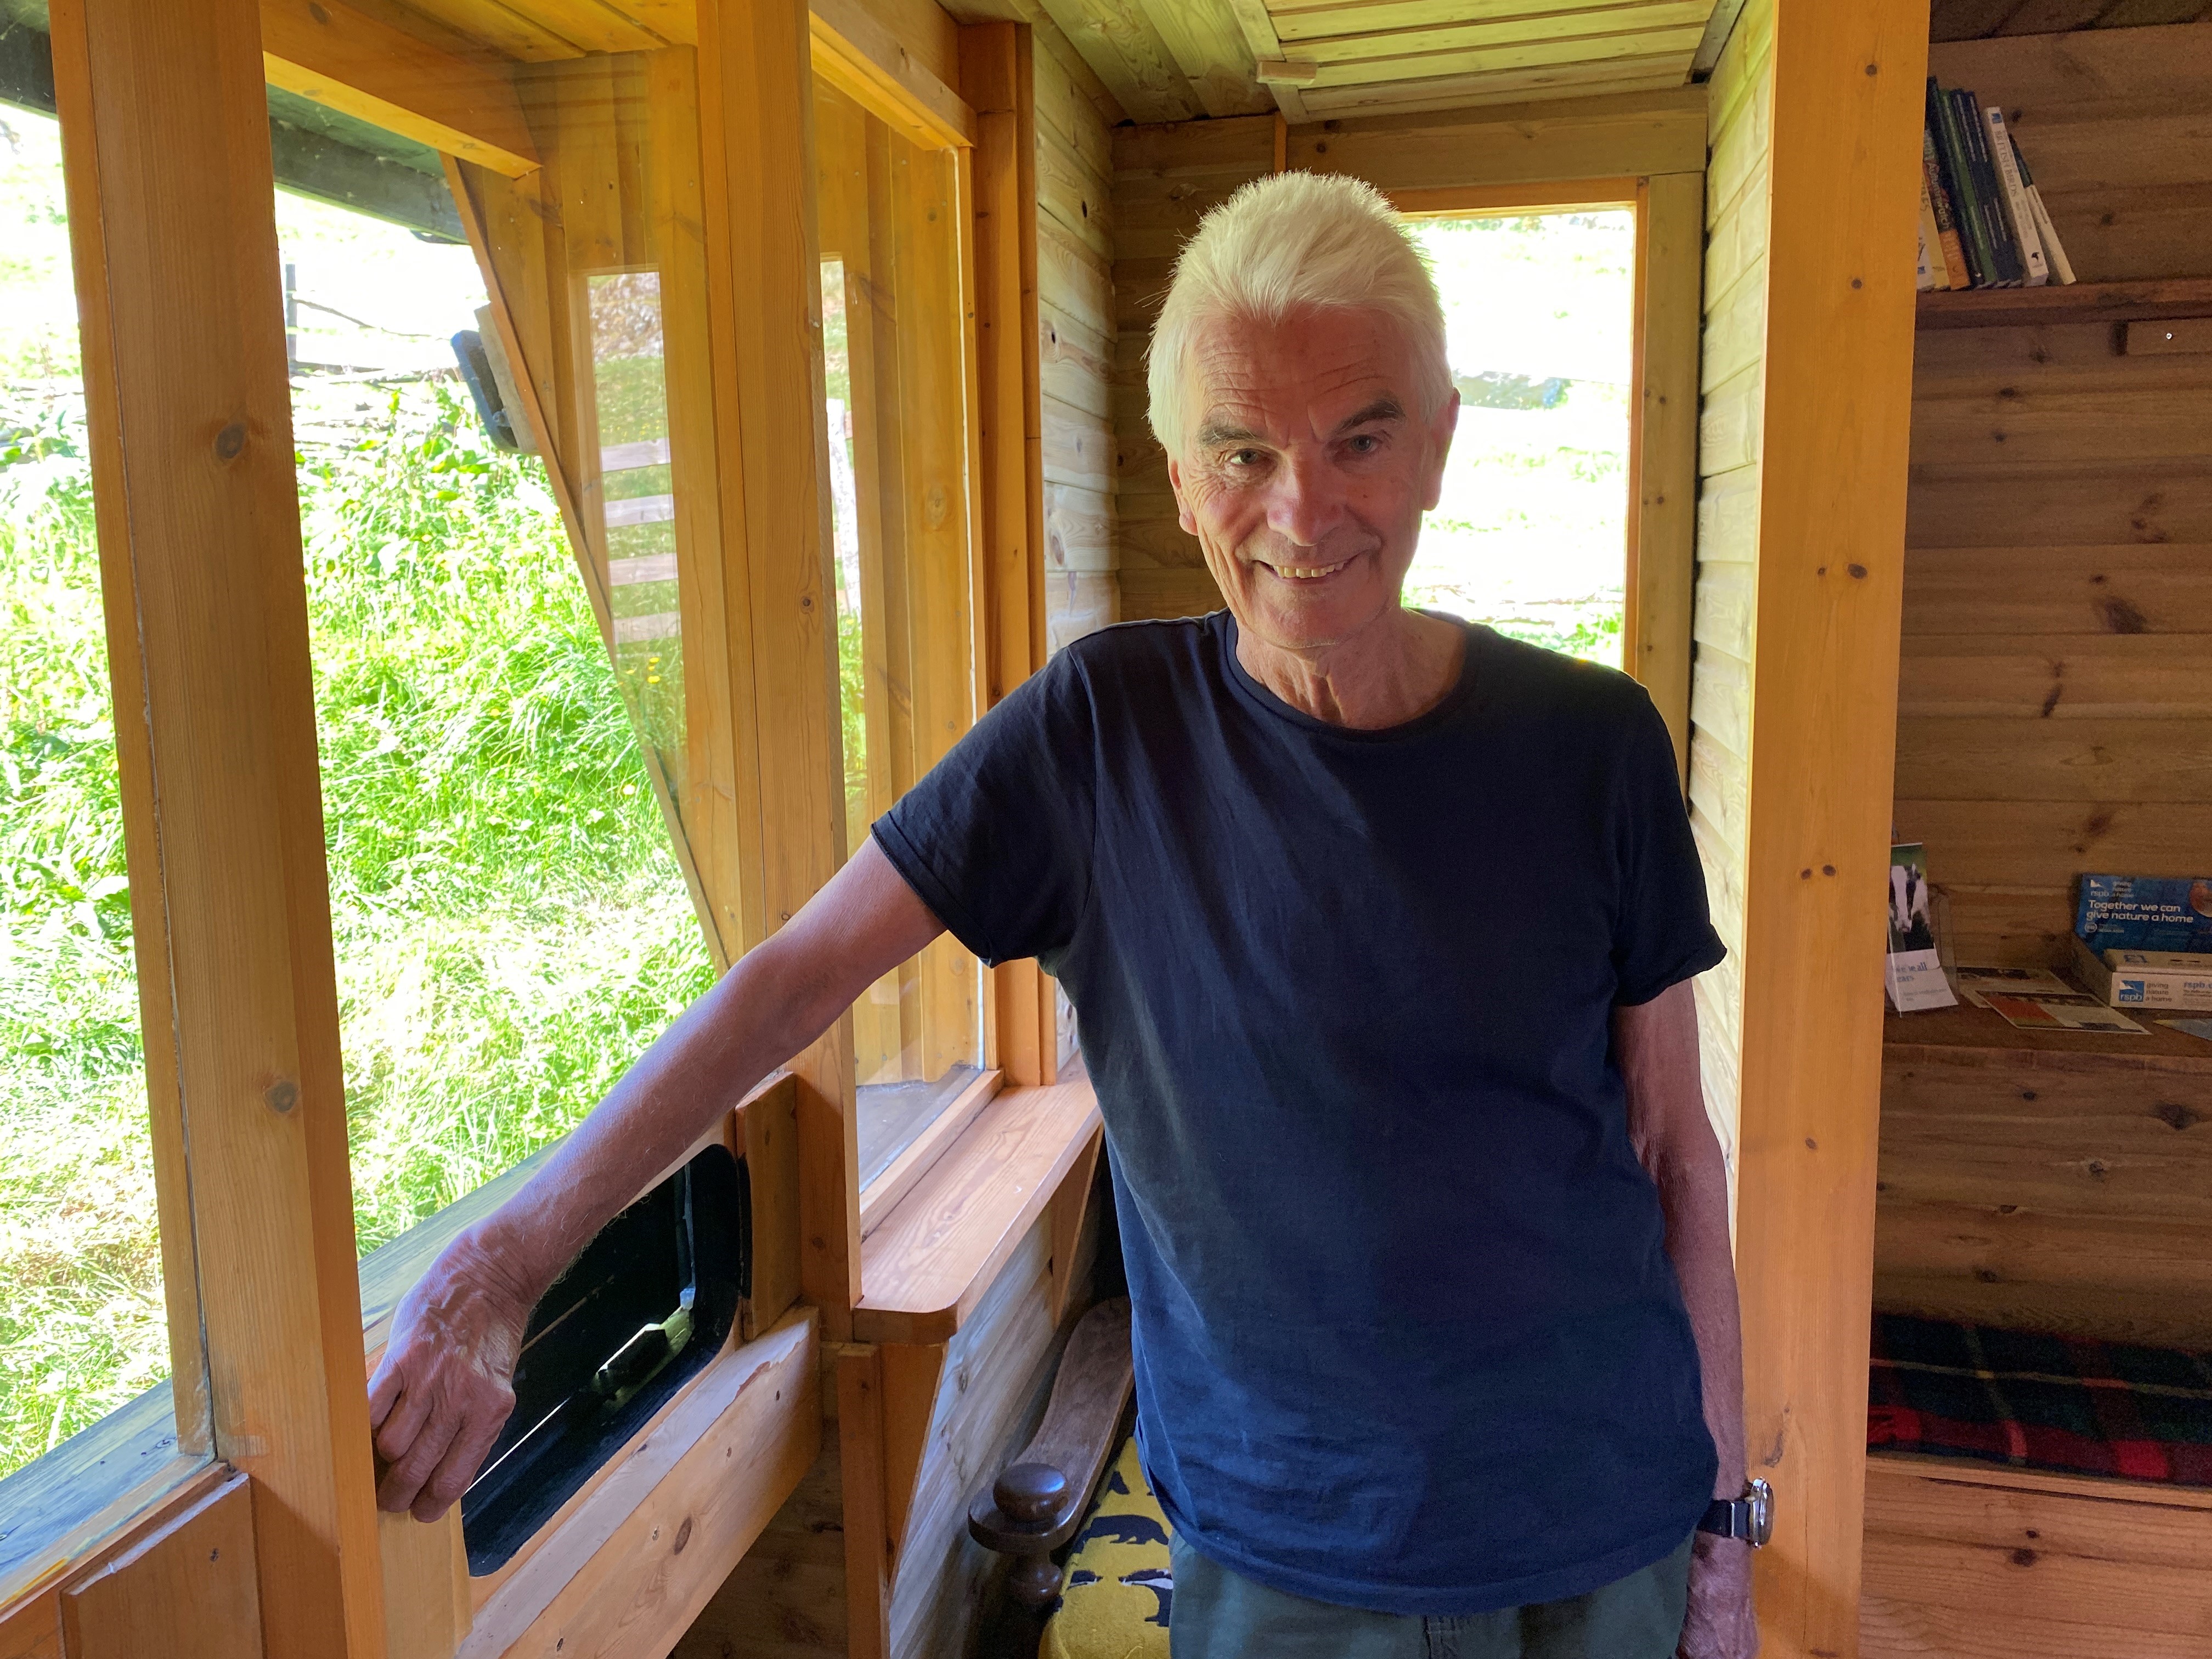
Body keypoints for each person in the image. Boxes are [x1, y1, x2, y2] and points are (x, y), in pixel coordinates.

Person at [369, 172, 1760, 1658]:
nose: (1304, 509)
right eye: (1243, 451)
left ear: (1436, 446)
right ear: (1179, 479)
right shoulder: (1100, 736)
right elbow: (791, 980)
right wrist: (502, 1262)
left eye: (1360, 437)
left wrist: (1727, 1535)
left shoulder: (1590, 742)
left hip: (1608, 1513)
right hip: (1297, 1548)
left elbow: (1675, 1150)